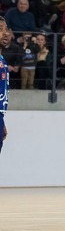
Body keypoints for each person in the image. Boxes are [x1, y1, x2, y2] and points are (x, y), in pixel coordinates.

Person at [0, 17, 10, 155]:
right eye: (0, 29)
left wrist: (1, 121)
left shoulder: (2, 59)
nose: (5, 33)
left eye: (6, 29)